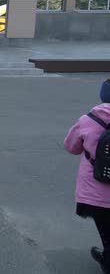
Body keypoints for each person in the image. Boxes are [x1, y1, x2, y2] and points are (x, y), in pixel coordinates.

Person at [64, 79, 110, 273]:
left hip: (96, 190)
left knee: (106, 227)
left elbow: (71, 146)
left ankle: (108, 260)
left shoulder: (89, 119)